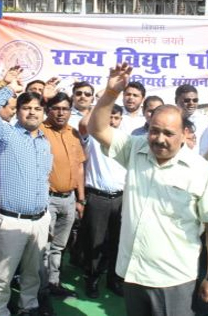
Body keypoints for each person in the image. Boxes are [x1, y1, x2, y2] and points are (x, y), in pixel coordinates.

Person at [89, 63, 208, 316]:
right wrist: (110, 93)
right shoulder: (135, 149)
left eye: (168, 133)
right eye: (154, 131)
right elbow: (97, 129)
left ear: (185, 134)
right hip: (133, 272)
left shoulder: (202, 171)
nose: (159, 139)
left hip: (174, 279)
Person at [0, 73, 53, 316]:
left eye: (37, 108)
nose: (32, 112)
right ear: (17, 111)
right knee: (3, 276)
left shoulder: (44, 141)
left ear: (43, 112)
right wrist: (9, 88)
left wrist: (46, 216)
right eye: (26, 108)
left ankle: (28, 308)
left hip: (40, 219)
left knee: (33, 274)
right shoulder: (6, 134)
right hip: (12, 219)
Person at [78, 104, 127, 298]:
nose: (112, 121)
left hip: (122, 198)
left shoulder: (126, 140)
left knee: (117, 242)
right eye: (109, 117)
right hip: (98, 198)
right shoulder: (92, 137)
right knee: (94, 242)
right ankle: (92, 279)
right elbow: (83, 125)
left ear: (121, 120)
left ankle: (113, 280)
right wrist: (99, 105)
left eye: (116, 117)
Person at [41, 92, 86, 298]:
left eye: (65, 108)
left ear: (70, 110)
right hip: (46, 198)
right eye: (56, 108)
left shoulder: (74, 133)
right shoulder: (39, 130)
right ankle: (40, 288)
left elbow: (79, 168)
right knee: (44, 246)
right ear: (49, 109)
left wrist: (81, 199)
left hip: (69, 199)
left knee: (59, 245)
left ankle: (53, 282)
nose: (61, 113)